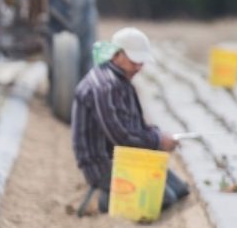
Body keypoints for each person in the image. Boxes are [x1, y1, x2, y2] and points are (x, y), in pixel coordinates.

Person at [71, 27, 190, 213]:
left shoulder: (120, 81)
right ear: (117, 55)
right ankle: (101, 199)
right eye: (134, 61)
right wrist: (158, 141)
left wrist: (158, 135)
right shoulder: (106, 86)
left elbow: (135, 126)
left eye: (141, 62)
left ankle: (114, 194)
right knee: (164, 199)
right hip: (104, 163)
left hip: (127, 157)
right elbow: (121, 137)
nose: (138, 67)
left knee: (180, 190)